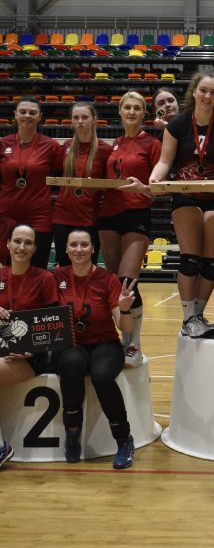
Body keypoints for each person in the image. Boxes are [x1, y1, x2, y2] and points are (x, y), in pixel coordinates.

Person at [149, 72, 214, 338]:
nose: (208, 96)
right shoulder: (177, 124)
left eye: (213, 92)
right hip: (186, 193)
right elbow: (165, 160)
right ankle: (188, 316)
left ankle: (197, 314)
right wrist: (155, 178)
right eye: (203, 91)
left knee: (212, 262)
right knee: (190, 258)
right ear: (194, 92)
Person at [53, 230, 138, 469]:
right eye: (73, 245)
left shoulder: (108, 279)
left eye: (84, 245)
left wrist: (124, 308)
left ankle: (124, 439)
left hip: (105, 344)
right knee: (71, 363)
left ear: (93, 249)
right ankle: (72, 434)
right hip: (71, 344)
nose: (79, 250)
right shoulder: (56, 277)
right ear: (66, 249)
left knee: (101, 375)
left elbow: (125, 327)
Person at [97, 91, 161, 368]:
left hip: (137, 213)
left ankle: (133, 343)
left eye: (137, 108)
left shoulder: (152, 144)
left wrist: (143, 189)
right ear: (120, 112)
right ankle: (119, 340)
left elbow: (160, 188)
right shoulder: (114, 143)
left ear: (143, 113)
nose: (132, 112)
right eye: (128, 107)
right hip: (108, 215)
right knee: (113, 283)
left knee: (127, 280)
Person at [0, 224, 59, 468]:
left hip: (30, 356)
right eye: (17, 241)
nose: (21, 247)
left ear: (35, 248)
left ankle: (1, 448)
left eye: (28, 242)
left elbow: (55, 325)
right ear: (8, 244)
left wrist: (32, 349)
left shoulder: (45, 279)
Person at [0, 97, 63, 268]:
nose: (27, 115)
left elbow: (60, 178)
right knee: (8, 269)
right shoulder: (2, 144)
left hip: (39, 217)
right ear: (15, 114)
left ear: (40, 116)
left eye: (32, 113)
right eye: (23, 112)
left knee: (37, 268)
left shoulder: (51, 146)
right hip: (6, 215)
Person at [52, 103, 113, 267]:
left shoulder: (105, 150)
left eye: (85, 117)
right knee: (64, 268)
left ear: (94, 120)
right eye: (76, 117)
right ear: (72, 121)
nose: (80, 121)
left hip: (89, 218)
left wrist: (97, 186)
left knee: (87, 269)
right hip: (62, 217)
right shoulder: (65, 147)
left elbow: (110, 185)